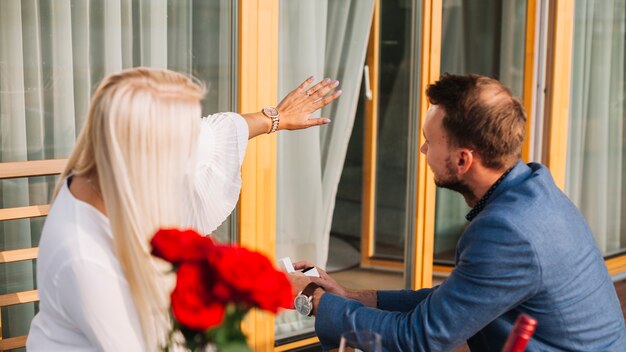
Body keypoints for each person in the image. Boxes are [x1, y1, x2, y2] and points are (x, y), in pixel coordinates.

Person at [289, 73, 626, 351]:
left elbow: (419, 338)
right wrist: (352, 296)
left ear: (463, 160)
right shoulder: (532, 189)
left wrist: (310, 298)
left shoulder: (509, 231)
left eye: (429, 141)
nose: (423, 149)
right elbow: (455, 299)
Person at [27, 67, 341, 351]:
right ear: (150, 153)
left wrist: (275, 118)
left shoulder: (104, 171)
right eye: (187, 139)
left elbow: (213, 135)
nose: (195, 147)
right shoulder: (86, 262)